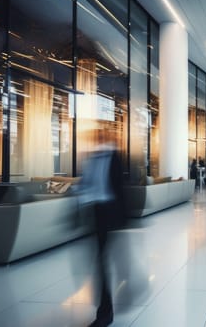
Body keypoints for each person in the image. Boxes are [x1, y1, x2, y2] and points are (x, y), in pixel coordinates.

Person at [79, 129, 125, 327]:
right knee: (102, 263)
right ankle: (105, 310)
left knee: (106, 262)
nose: (97, 141)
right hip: (96, 213)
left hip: (110, 214)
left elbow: (120, 189)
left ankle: (106, 312)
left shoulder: (114, 158)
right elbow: (85, 185)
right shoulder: (92, 160)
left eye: (99, 138)